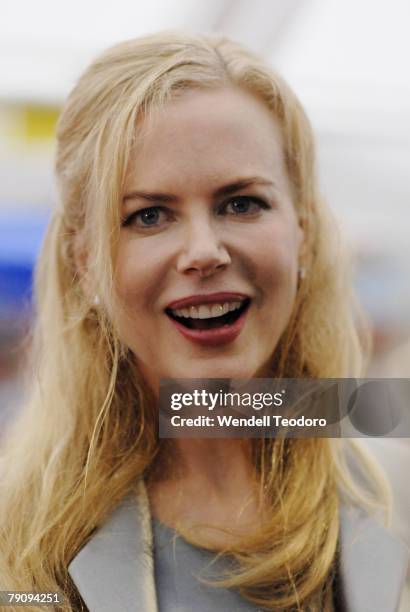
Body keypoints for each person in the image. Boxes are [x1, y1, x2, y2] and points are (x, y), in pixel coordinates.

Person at [0, 31, 407, 611]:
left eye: (241, 203)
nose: (203, 251)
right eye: (149, 215)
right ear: (84, 261)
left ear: (304, 232)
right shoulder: (19, 544)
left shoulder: (394, 488)